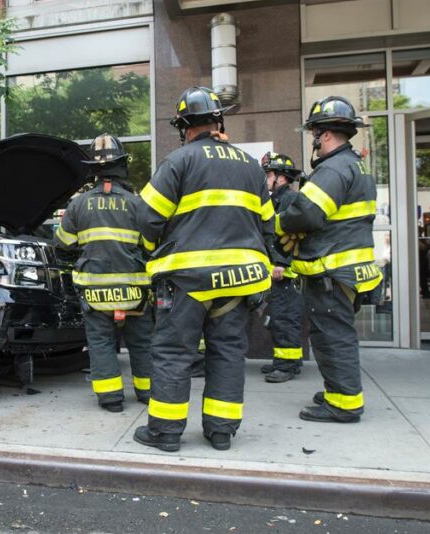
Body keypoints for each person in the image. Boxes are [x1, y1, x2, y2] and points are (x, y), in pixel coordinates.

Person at [132, 86, 274, 453]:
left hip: (187, 281)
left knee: (173, 353)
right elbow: (269, 224)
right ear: (218, 121)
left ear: (184, 126)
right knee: (227, 351)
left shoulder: (178, 162)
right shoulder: (250, 166)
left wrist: (150, 253)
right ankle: (222, 431)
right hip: (239, 280)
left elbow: (147, 218)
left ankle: (165, 432)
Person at [276, 96, 380, 424]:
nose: (314, 142)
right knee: (335, 333)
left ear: (325, 135)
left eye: (315, 135)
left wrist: (278, 223)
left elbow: (306, 213)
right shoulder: (354, 165)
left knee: (332, 337)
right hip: (345, 269)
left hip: (332, 270)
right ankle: (339, 391)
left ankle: (344, 404)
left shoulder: (334, 168)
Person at [55, 133, 153, 413]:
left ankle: (111, 398)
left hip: (95, 293)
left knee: (101, 343)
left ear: (93, 169)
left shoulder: (78, 205)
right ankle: (147, 392)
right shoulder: (138, 204)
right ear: (121, 165)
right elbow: (150, 247)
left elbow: (63, 247)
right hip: (135, 293)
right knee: (142, 342)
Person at [258, 152, 305, 383]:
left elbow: (293, 234)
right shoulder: (278, 199)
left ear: (281, 177)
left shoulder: (289, 200)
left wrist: (281, 263)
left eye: (269, 174)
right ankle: (288, 362)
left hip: (286, 273)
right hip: (281, 272)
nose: (266, 178)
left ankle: (285, 366)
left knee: (284, 319)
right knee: (280, 317)